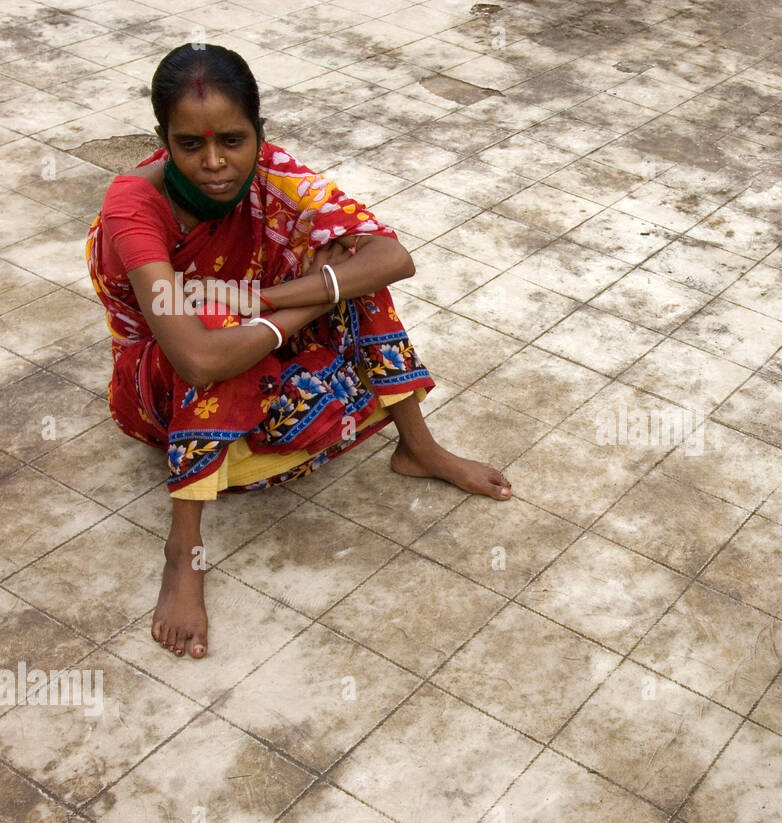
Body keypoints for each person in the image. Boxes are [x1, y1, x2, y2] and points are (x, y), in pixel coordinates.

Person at [85, 44, 512, 662]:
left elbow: (393, 257)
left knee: (358, 273)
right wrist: (307, 303)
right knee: (212, 316)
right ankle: (185, 552)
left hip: (251, 337)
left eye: (232, 140)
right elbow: (197, 359)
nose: (213, 164)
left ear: (259, 132)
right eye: (189, 145)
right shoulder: (133, 205)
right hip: (162, 385)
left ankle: (418, 448)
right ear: (163, 141)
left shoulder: (272, 172)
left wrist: (276, 297)